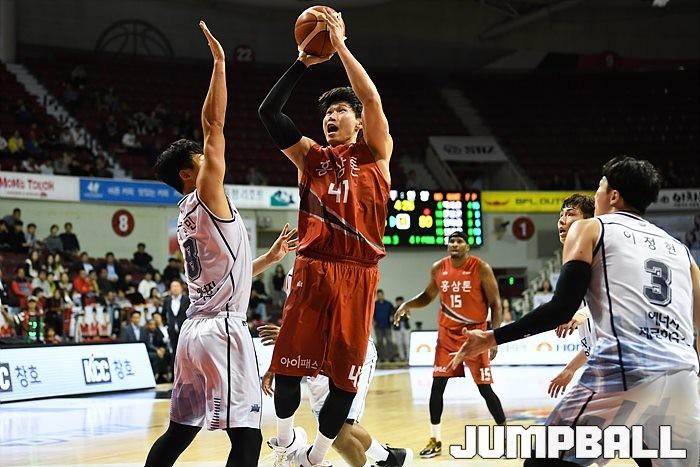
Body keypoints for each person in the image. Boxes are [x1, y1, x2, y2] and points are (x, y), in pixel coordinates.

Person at [450, 157, 700, 466]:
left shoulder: (591, 228)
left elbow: (561, 308)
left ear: (614, 196)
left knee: (543, 461)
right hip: (682, 377)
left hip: (624, 372)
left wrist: (492, 337)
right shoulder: (682, 251)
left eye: (599, 187)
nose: (596, 194)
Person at [145, 22, 298, 467]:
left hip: (193, 332)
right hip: (223, 330)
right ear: (188, 174)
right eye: (201, 158)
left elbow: (222, 274)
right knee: (248, 437)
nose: (210, 158)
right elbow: (214, 123)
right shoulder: (207, 194)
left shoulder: (186, 214)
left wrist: (267, 259)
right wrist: (219, 63)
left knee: (179, 431)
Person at [259, 9, 393, 466]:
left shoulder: (375, 152)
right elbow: (268, 112)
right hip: (313, 266)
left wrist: (339, 48)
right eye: (328, 113)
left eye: (340, 111)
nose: (332, 117)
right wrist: (302, 61)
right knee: (287, 366)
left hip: (359, 273)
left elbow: (371, 98)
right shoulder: (309, 157)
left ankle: (314, 457)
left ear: (358, 121)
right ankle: (284, 444)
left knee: (342, 382)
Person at [260, 268, 412, 467]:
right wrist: (277, 364)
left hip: (350, 352)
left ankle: (386, 458)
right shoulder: (294, 272)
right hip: (317, 355)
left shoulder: (339, 268)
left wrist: (292, 335)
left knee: (338, 433)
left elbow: (340, 323)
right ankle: (390, 458)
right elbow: (295, 318)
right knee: (331, 428)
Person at [394, 231, 506, 459]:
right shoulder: (439, 267)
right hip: (447, 335)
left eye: (459, 241)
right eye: (452, 241)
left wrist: (494, 337)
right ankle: (435, 440)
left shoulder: (480, 267)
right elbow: (427, 296)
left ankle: (505, 437)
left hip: (475, 334)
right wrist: (408, 304)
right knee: (437, 385)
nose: (455, 244)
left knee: (485, 389)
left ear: (467, 246)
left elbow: (495, 303)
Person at [545, 194, 597, 399]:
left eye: (570, 214)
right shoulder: (574, 258)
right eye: (561, 215)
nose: (561, 220)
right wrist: (570, 369)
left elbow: (615, 298)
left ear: (588, 221)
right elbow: (593, 346)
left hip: (624, 364)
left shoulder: (597, 255)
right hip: (603, 363)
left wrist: (580, 315)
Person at [162, 279, 189, 362]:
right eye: (173, 286)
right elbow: (163, 314)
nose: (175, 288)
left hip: (185, 330)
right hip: (172, 331)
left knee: (186, 351)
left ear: (181, 288)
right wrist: (167, 325)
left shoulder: (187, 300)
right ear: (170, 289)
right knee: (174, 352)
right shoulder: (167, 300)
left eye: (177, 286)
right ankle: (174, 370)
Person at [373, 289, 394, 362]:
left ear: (383, 295)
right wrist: (373, 321)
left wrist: (392, 318)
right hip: (378, 327)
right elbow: (371, 314)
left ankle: (391, 357)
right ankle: (381, 358)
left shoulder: (388, 304)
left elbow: (393, 312)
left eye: (381, 295)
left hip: (387, 326)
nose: (379, 296)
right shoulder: (374, 304)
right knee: (380, 342)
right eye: (378, 295)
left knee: (389, 341)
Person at [392, 296, 410, 362]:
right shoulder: (394, 309)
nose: (399, 302)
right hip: (397, 328)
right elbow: (392, 318)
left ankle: (408, 356)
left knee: (407, 343)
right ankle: (402, 357)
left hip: (405, 327)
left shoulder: (406, 308)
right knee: (399, 343)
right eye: (398, 301)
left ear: (402, 301)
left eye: (400, 301)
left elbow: (408, 317)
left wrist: (401, 316)